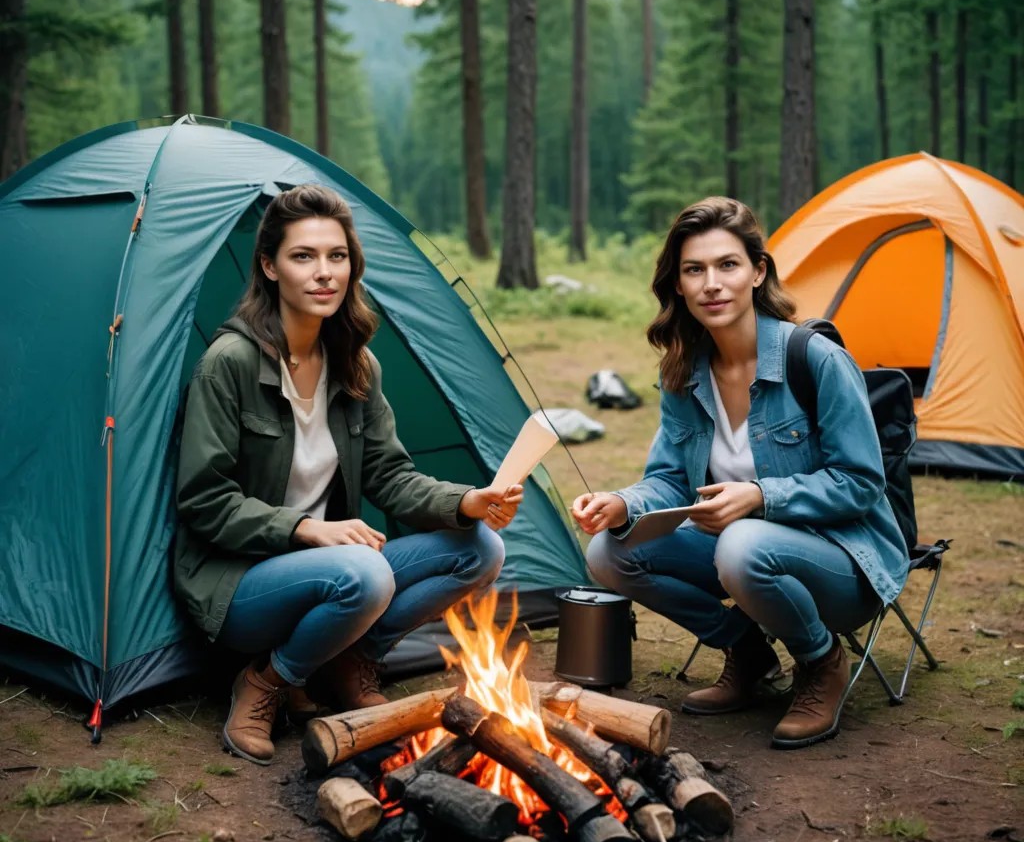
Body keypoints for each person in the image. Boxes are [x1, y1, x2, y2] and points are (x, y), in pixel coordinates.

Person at [173, 184, 522, 765]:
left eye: (337, 256)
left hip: (335, 569)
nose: (324, 273)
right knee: (364, 574)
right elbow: (205, 501)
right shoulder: (228, 363)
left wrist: (468, 501)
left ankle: (345, 660)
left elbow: (389, 474)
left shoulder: (356, 364)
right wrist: (308, 529)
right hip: (238, 583)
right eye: (303, 256)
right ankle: (266, 680)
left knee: (481, 549)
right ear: (269, 266)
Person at [572, 197, 908, 749]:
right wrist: (621, 503)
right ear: (677, 285)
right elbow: (670, 482)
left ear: (758, 271)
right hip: (744, 557)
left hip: (844, 561)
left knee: (742, 543)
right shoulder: (683, 370)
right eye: (694, 269)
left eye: (727, 265)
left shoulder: (815, 358)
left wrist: (758, 494)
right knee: (610, 552)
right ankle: (748, 653)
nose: (712, 284)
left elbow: (862, 483)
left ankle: (821, 661)